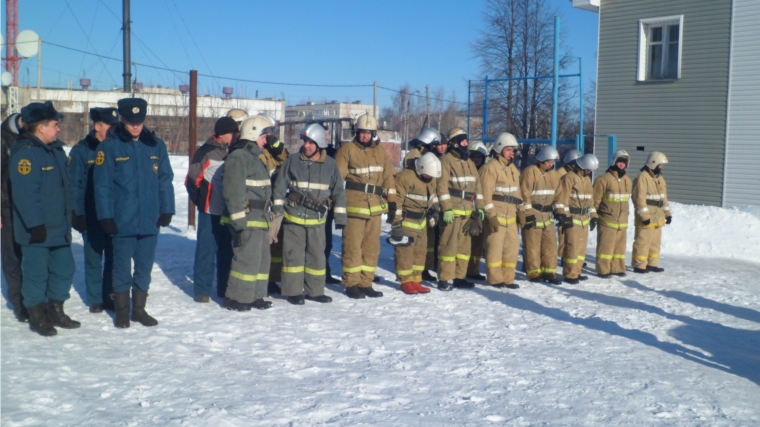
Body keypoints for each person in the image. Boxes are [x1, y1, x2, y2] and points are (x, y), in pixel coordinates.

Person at [94, 98, 175, 328]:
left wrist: (167, 208)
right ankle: (122, 311)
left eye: (139, 121)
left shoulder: (155, 145)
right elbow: (102, 185)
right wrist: (106, 216)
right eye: (131, 122)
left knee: (144, 267)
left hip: (149, 219)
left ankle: (139, 309)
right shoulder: (109, 147)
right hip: (122, 220)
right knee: (120, 267)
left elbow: (165, 179)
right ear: (122, 119)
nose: (136, 126)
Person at [10, 101, 79, 336]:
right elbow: (25, 194)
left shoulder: (56, 150)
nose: (58, 129)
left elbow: (65, 188)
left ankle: (56, 310)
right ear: (41, 128)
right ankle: (37, 316)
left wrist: (73, 214)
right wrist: (35, 224)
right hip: (37, 230)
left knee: (64, 269)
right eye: (55, 125)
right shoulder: (25, 154)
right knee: (36, 274)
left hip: (59, 227)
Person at [272, 123, 347, 304]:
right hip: (293, 218)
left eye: (311, 142)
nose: (306, 145)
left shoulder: (330, 165)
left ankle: (315, 291)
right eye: (305, 141)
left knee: (317, 256)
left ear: (319, 143)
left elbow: (338, 192)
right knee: (293, 256)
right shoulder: (293, 160)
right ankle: (293, 291)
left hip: (317, 220)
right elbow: (280, 186)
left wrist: (340, 217)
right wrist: (278, 210)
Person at [334, 113, 396, 299]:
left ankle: (366, 282)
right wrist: (337, 207)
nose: (365, 136)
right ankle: (351, 283)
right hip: (354, 206)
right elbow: (337, 180)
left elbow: (388, 179)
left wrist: (392, 202)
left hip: (375, 208)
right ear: (357, 132)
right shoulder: (347, 150)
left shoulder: (380, 152)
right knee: (353, 246)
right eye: (362, 132)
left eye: (369, 133)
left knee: (371, 248)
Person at [221, 116, 274, 311]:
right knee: (245, 260)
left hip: (259, 220)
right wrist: (239, 221)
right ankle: (235, 297)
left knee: (260, 261)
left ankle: (254, 296)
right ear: (252, 133)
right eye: (263, 136)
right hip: (247, 220)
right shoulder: (238, 157)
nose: (265, 140)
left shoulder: (255, 157)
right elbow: (232, 191)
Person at [69, 107, 118, 313]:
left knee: (114, 258)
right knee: (93, 259)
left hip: (113, 214)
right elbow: (74, 185)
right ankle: (96, 299)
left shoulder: (117, 147)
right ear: (97, 126)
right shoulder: (81, 150)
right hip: (90, 214)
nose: (114, 130)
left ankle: (110, 296)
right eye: (110, 126)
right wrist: (76, 213)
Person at [185, 116, 237, 303]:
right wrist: (201, 201)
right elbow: (191, 180)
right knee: (206, 250)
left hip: (229, 211)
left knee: (227, 251)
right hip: (209, 211)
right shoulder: (206, 152)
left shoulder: (235, 152)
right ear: (223, 134)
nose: (235, 136)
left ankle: (224, 288)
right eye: (232, 133)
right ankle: (202, 289)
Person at [435, 127, 485, 291]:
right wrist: (446, 208)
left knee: (464, 249)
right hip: (453, 211)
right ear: (455, 143)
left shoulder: (470, 162)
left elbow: (477, 188)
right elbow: (441, 187)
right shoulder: (446, 160)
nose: (466, 143)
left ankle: (459, 277)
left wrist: (480, 208)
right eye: (464, 140)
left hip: (468, 212)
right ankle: (444, 278)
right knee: (448, 246)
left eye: (467, 140)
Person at [479, 132, 525, 289]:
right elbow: (485, 195)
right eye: (508, 150)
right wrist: (491, 216)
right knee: (495, 250)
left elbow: (518, 193)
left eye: (513, 150)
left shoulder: (513, 169)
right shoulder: (489, 168)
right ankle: (495, 279)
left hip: (511, 217)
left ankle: (508, 278)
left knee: (511, 250)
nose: (512, 153)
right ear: (499, 149)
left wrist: (521, 212)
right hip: (497, 216)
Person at [391, 152, 440, 294]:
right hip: (407, 220)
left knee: (420, 252)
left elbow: (433, 197)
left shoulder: (430, 177)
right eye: (428, 175)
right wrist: (396, 224)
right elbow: (396, 201)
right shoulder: (405, 177)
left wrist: (434, 212)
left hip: (422, 221)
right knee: (405, 252)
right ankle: (405, 281)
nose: (430, 178)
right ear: (421, 168)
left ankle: (416, 279)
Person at [254, 113, 289, 296]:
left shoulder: (273, 153)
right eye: (266, 133)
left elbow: (287, 163)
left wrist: (279, 148)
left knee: (275, 244)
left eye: (271, 133)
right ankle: (260, 279)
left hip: (273, 205)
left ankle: (272, 279)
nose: (269, 136)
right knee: (260, 244)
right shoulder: (253, 152)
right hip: (258, 206)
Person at [520, 145, 563, 285]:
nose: (551, 164)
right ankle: (534, 273)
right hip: (534, 212)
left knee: (550, 245)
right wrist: (527, 213)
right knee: (532, 246)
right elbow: (524, 194)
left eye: (552, 162)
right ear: (542, 159)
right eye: (549, 161)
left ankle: (550, 272)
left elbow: (559, 195)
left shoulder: (554, 175)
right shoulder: (530, 172)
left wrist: (560, 212)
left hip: (547, 215)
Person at [557, 153, 599, 284]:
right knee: (572, 248)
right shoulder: (568, 178)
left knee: (581, 248)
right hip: (573, 218)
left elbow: (590, 201)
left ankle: (578, 271)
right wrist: (564, 216)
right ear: (581, 166)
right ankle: (570, 273)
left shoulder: (586, 180)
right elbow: (562, 200)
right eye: (588, 169)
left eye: (590, 171)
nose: (589, 172)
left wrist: (593, 216)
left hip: (584, 219)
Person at [1, 112, 28, 322]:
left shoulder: (29, 138)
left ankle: (34, 300)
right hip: (6, 207)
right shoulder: (2, 139)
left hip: (28, 208)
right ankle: (19, 304)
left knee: (31, 256)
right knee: (12, 257)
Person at [592, 150, 632, 278]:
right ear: (614, 162)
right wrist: (593, 216)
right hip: (607, 219)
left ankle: (617, 268)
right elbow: (595, 200)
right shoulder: (603, 180)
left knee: (619, 248)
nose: (621, 165)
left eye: (624, 162)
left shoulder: (627, 180)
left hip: (622, 220)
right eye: (619, 162)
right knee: (606, 247)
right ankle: (603, 269)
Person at [632, 151, 671, 273]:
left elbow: (663, 198)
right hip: (647, 217)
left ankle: (652, 264)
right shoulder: (642, 178)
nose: (661, 167)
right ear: (653, 163)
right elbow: (639, 199)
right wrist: (644, 216)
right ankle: (639, 265)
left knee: (655, 243)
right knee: (642, 243)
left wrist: (667, 214)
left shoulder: (659, 179)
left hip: (657, 216)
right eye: (660, 165)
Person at [466, 141, 489, 281]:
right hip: (466, 212)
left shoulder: (484, 172)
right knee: (464, 243)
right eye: (474, 157)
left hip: (479, 213)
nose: (477, 160)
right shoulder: (466, 170)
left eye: (479, 157)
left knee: (477, 245)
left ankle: (473, 270)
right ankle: (460, 270)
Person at [557, 149, 582, 262]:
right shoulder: (560, 174)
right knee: (564, 233)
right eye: (574, 163)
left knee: (573, 236)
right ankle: (564, 256)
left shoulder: (576, 174)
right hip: (562, 206)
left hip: (572, 207)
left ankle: (572, 256)